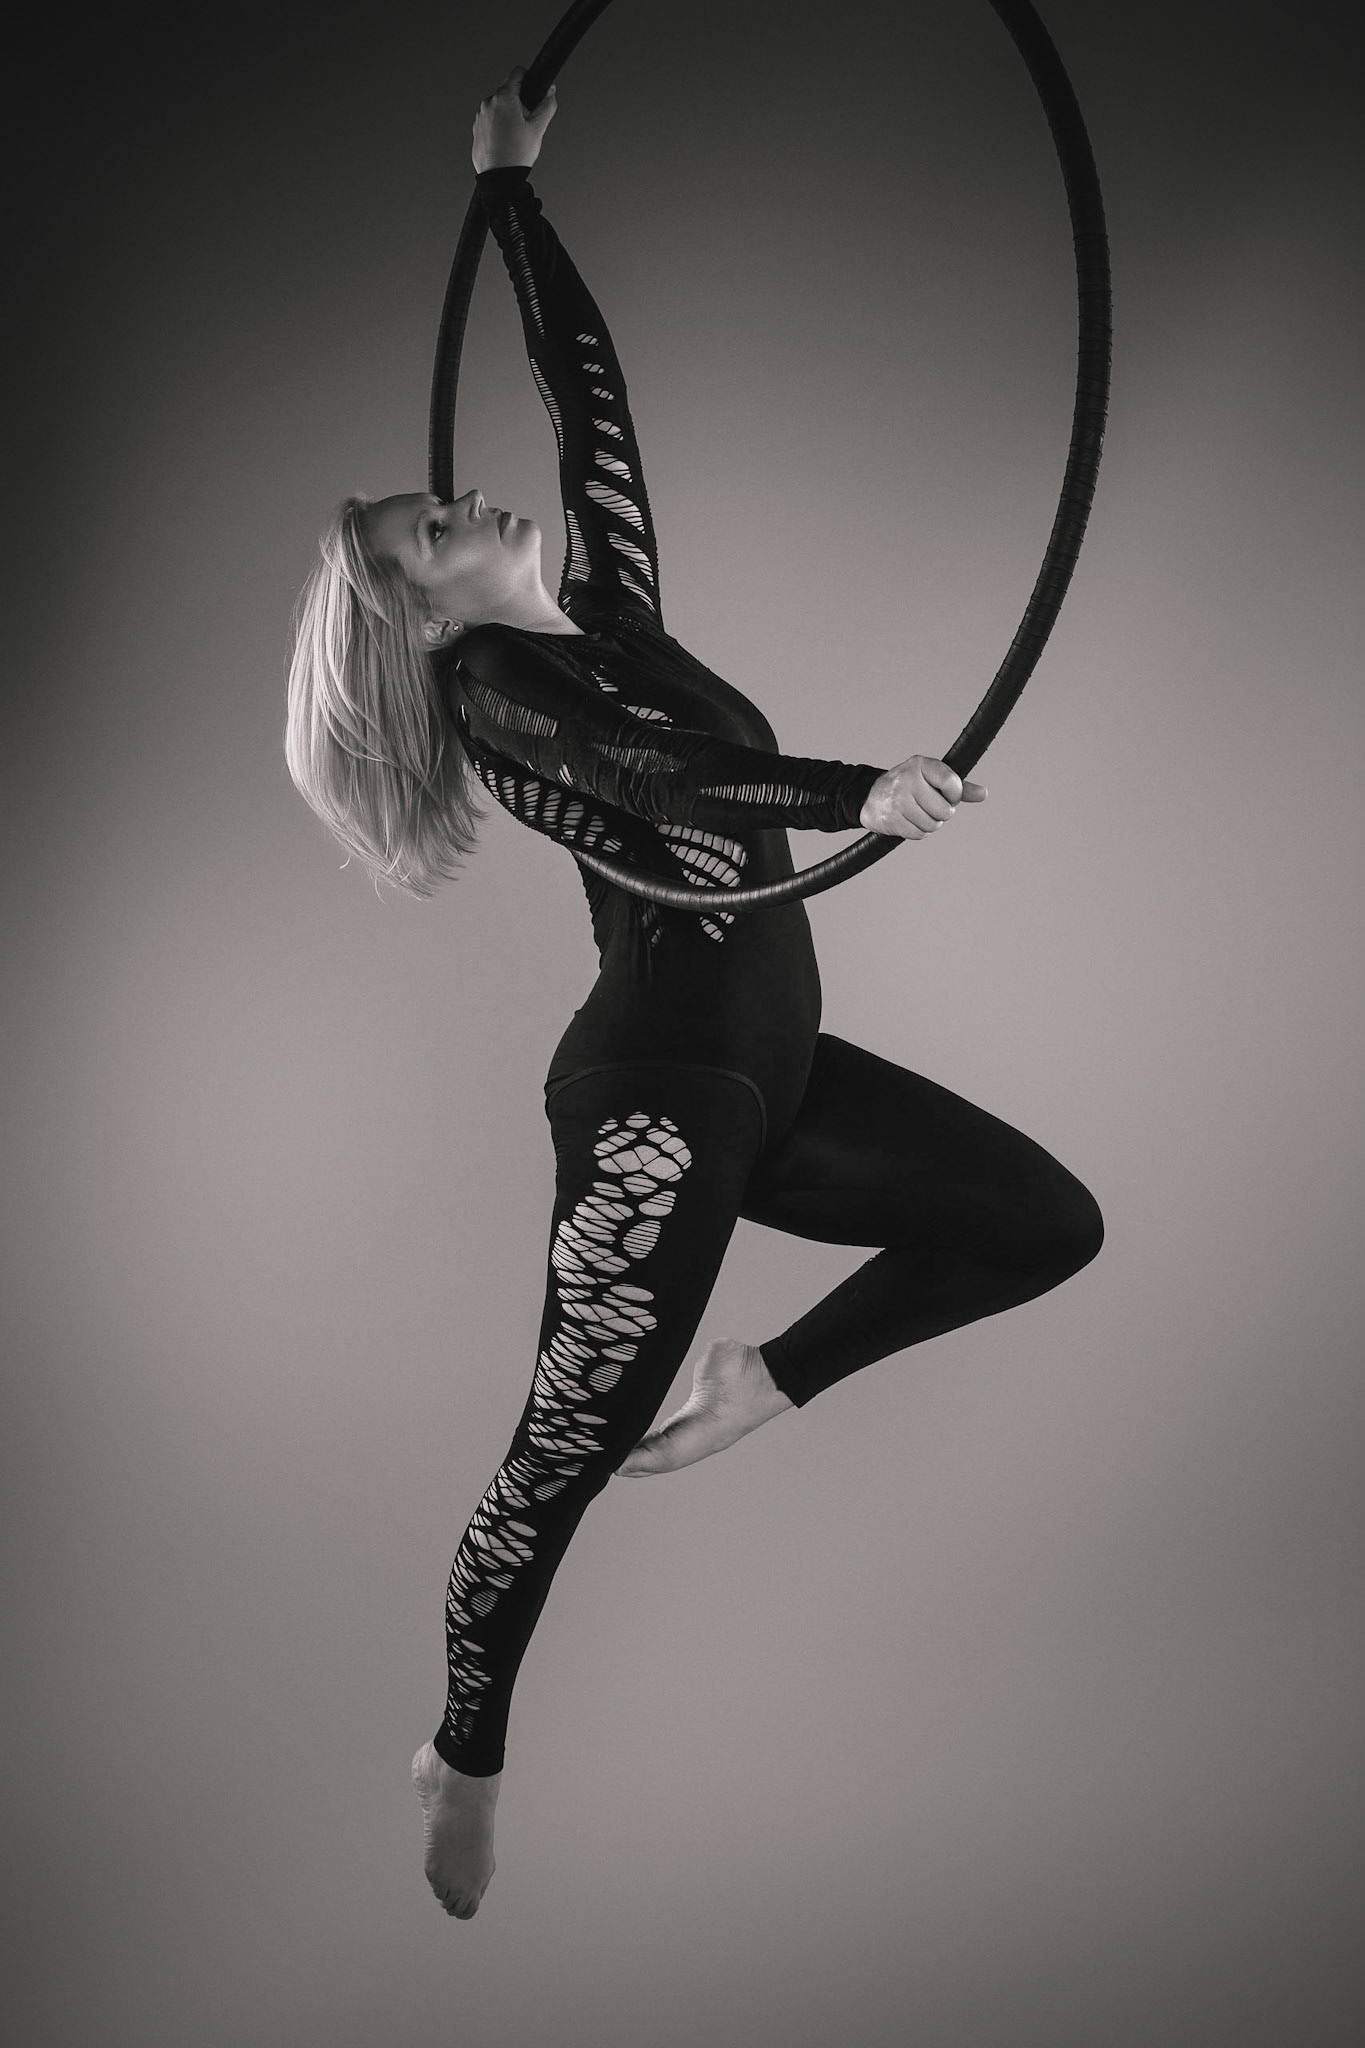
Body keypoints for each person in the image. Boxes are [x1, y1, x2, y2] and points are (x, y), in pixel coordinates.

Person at [285, 71, 1103, 1921]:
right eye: (427, 532)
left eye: (437, 499)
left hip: (774, 1068)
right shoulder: (497, 691)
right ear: (425, 617)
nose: (461, 505)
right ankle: (462, 1751)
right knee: (554, 1464)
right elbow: (664, 779)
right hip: (657, 1100)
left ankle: (761, 1384)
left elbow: (593, 410)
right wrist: (855, 792)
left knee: (1043, 1223)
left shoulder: (611, 625)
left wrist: (511, 198)